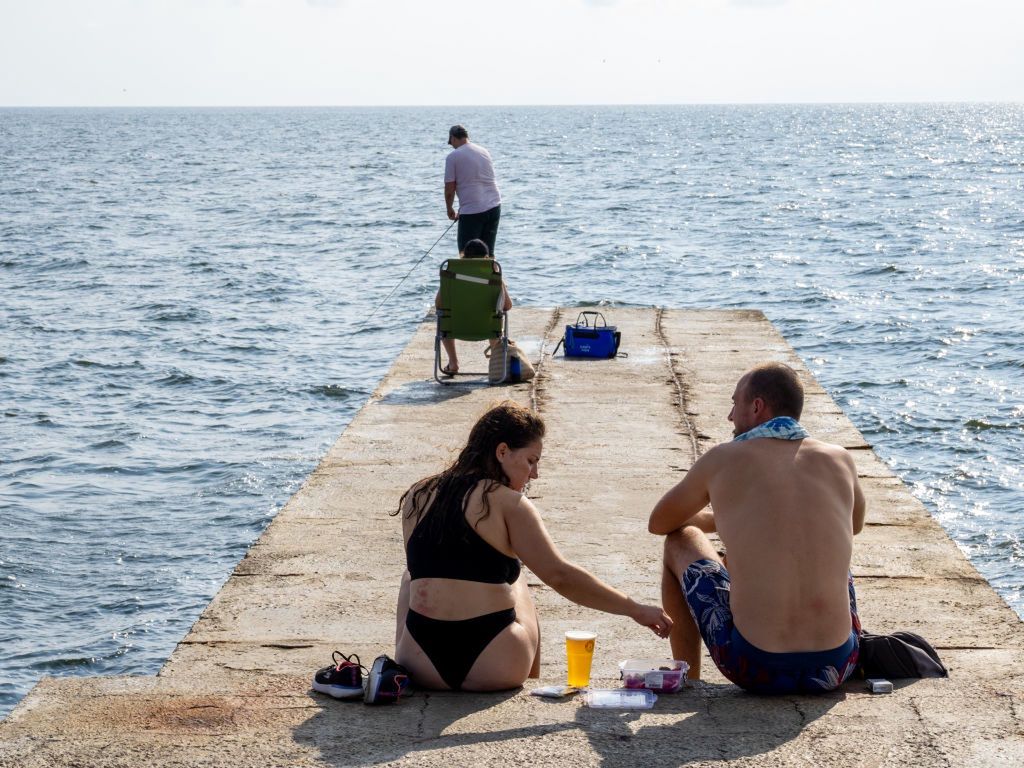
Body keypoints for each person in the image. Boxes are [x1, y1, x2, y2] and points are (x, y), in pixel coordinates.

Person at [392, 401, 672, 691]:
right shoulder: (507, 502)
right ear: (502, 452)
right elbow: (559, 576)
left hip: (421, 665)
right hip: (495, 664)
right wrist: (634, 609)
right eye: (530, 461)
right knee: (517, 576)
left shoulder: (418, 493)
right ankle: (533, 682)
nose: (534, 473)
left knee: (411, 576)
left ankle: (407, 661)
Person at [648, 362, 866, 695]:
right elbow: (854, 525)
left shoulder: (723, 458)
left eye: (735, 404)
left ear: (756, 406)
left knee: (680, 539)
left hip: (755, 666)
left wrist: (719, 522)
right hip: (837, 665)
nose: (730, 416)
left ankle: (687, 676)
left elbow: (660, 523)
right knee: (824, 545)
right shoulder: (840, 457)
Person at [434, 238, 511, 376]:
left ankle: (453, 362)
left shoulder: (452, 274)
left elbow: (439, 304)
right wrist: (499, 280)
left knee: (444, 317)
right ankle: (494, 363)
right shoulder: (493, 275)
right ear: (487, 258)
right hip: (486, 327)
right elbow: (507, 306)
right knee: (494, 315)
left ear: (463, 256)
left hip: (455, 326)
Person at [445, 124, 501, 257]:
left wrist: (449, 209)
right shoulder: (484, 151)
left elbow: (449, 189)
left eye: (451, 142)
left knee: (466, 255)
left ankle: (467, 276)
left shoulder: (453, 156)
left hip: (472, 212)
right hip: (494, 206)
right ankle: (492, 276)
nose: (452, 145)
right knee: (487, 254)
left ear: (453, 138)